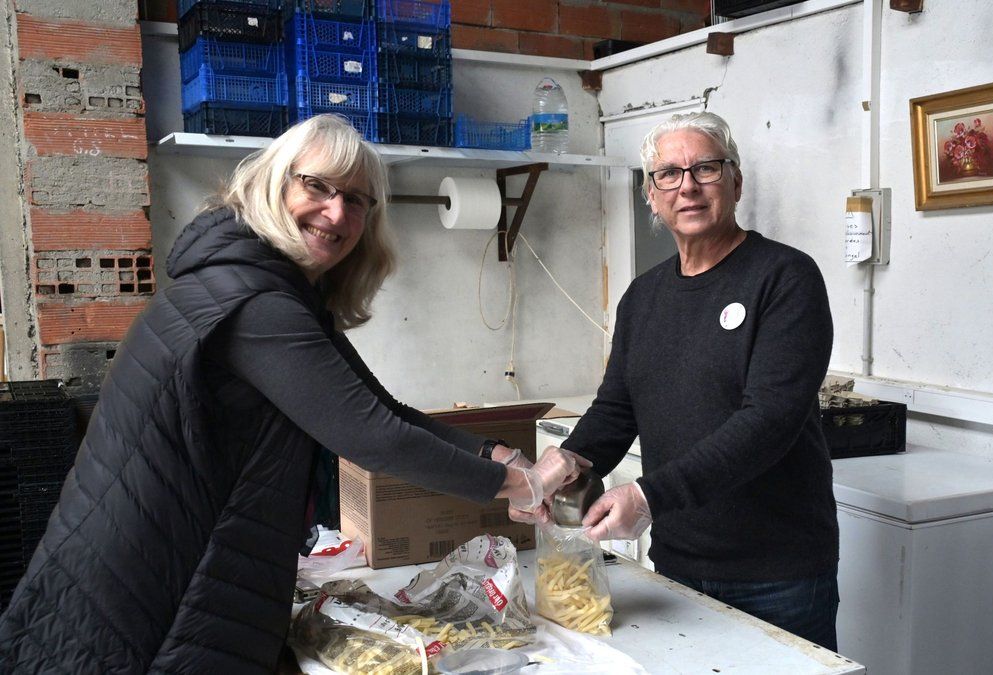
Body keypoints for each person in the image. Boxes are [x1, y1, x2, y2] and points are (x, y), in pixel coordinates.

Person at [0, 114, 579, 673]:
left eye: (356, 199)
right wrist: (514, 486)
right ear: (274, 183)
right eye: (317, 186)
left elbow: (381, 409)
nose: (336, 212)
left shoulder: (267, 289)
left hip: (162, 564)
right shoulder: (252, 301)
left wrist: (495, 456)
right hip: (148, 588)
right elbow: (373, 436)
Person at [529, 112, 839, 650]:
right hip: (674, 562)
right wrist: (566, 466)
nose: (688, 186)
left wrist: (649, 497)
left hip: (777, 572)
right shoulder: (643, 298)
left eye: (706, 169)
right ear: (652, 196)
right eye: (668, 174)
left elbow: (770, 420)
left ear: (736, 182)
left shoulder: (785, 278)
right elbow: (617, 408)